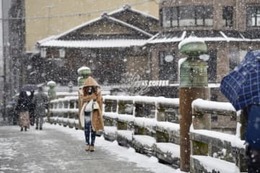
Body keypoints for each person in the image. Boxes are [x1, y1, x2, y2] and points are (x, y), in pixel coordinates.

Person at [79, 76, 104, 152]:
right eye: (88, 87)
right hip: (87, 112)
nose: (89, 89)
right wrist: (91, 97)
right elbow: (82, 103)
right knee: (87, 129)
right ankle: (87, 143)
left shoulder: (97, 94)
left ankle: (92, 144)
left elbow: (100, 103)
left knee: (93, 129)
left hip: (94, 112)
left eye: (91, 87)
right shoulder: (83, 94)